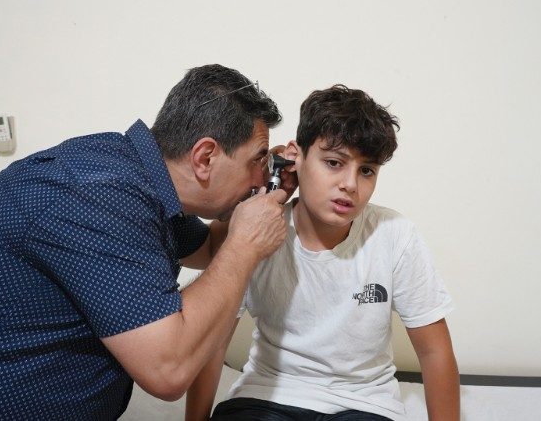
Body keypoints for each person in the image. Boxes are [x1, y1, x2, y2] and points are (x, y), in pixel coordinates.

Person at [0, 64, 295, 420]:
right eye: (258, 160)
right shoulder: (98, 195)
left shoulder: (137, 176)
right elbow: (168, 371)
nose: (259, 178)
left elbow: (207, 249)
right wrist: (244, 245)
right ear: (205, 158)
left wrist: (276, 192)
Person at [185, 85, 460, 421]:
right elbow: (213, 345)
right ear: (295, 157)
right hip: (268, 395)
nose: (350, 184)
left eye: (367, 170)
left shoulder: (394, 235)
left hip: (364, 403)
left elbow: (435, 352)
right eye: (333, 162)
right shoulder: (256, 228)